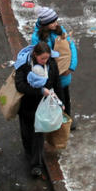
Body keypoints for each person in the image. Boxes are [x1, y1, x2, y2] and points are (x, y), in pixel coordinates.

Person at [14, 41, 63, 178]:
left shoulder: (51, 64)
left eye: (47, 58)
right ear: (35, 55)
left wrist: (61, 102)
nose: (44, 61)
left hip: (42, 106)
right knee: (27, 132)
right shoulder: (23, 65)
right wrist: (40, 91)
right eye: (42, 58)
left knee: (38, 135)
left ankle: (36, 165)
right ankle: (29, 152)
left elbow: (57, 83)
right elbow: (20, 86)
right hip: (26, 106)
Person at [30, 6, 78, 129]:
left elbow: (71, 46)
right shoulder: (37, 38)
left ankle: (67, 122)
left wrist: (71, 66)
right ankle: (57, 125)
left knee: (65, 99)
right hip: (50, 77)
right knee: (55, 101)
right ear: (45, 24)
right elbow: (39, 58)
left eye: (56, 21)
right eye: (53, 22)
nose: (56, 24)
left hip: (64, 74)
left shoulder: (59, 30)